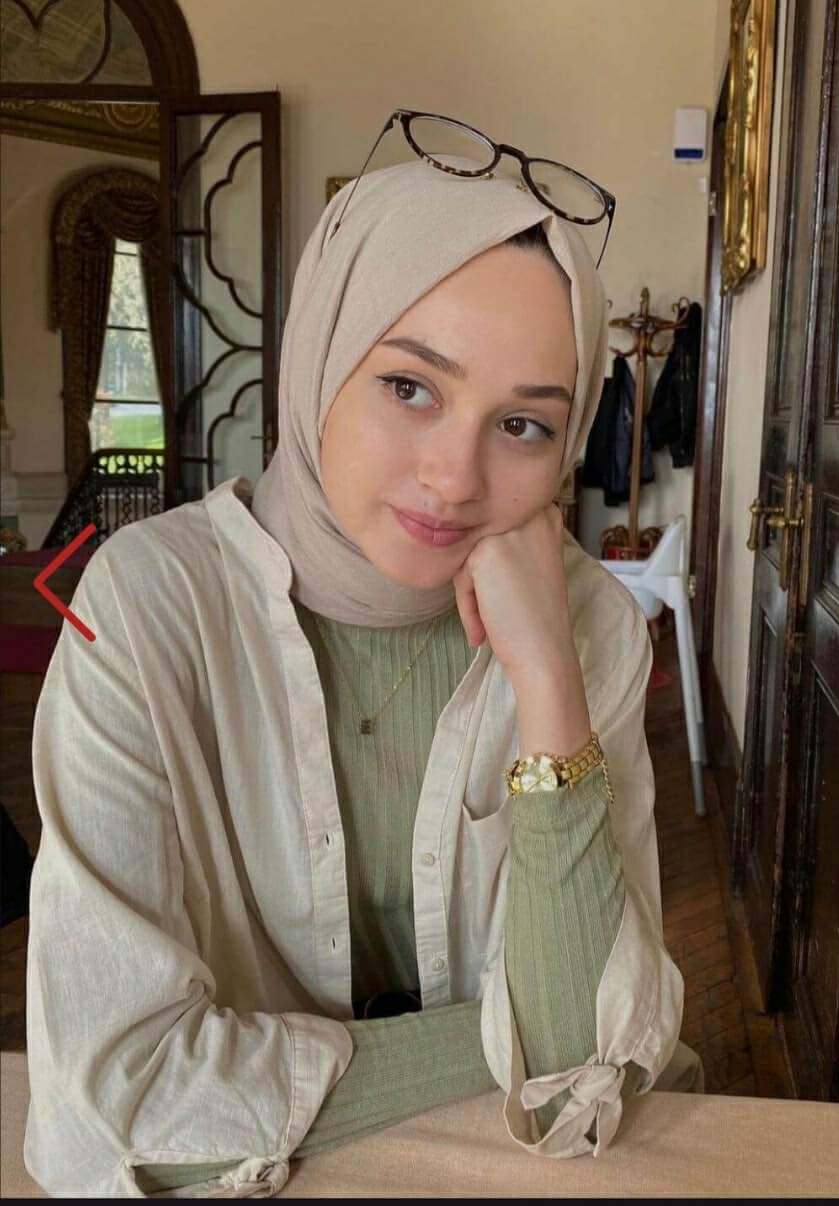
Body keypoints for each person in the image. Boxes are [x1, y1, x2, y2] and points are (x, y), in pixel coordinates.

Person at [23, 152, 703, 1198]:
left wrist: (548, 685)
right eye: (409, 387)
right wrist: (522, 1048)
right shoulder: (149, 608)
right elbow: (122, 1100)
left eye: (522, 424)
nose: (455, 477)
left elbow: (591, 1079)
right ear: (321, 360)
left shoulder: (589, 627)